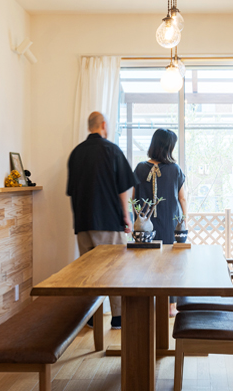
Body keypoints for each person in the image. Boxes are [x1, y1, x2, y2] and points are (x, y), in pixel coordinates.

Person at [67, 111, 138, 330]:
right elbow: (123, 187)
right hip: (108, 221)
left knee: (88, 273)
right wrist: (126, 216)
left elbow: (71, 191)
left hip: (84, 223)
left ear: (90, 127)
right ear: (104, 125)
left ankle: (89, 317)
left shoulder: (76, 153)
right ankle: (117, 317)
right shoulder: (111, 150)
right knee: (115, 270)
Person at [133, 128, 188, 316]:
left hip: (144, 227)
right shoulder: (175, 169)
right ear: (168, 147)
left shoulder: (140, 168)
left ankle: (148, 304)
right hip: (168, 222)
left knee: (145, 264)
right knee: (170, 265)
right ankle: (171, 306)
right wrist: (184, 221)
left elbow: (133, 197)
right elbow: (182, 198)